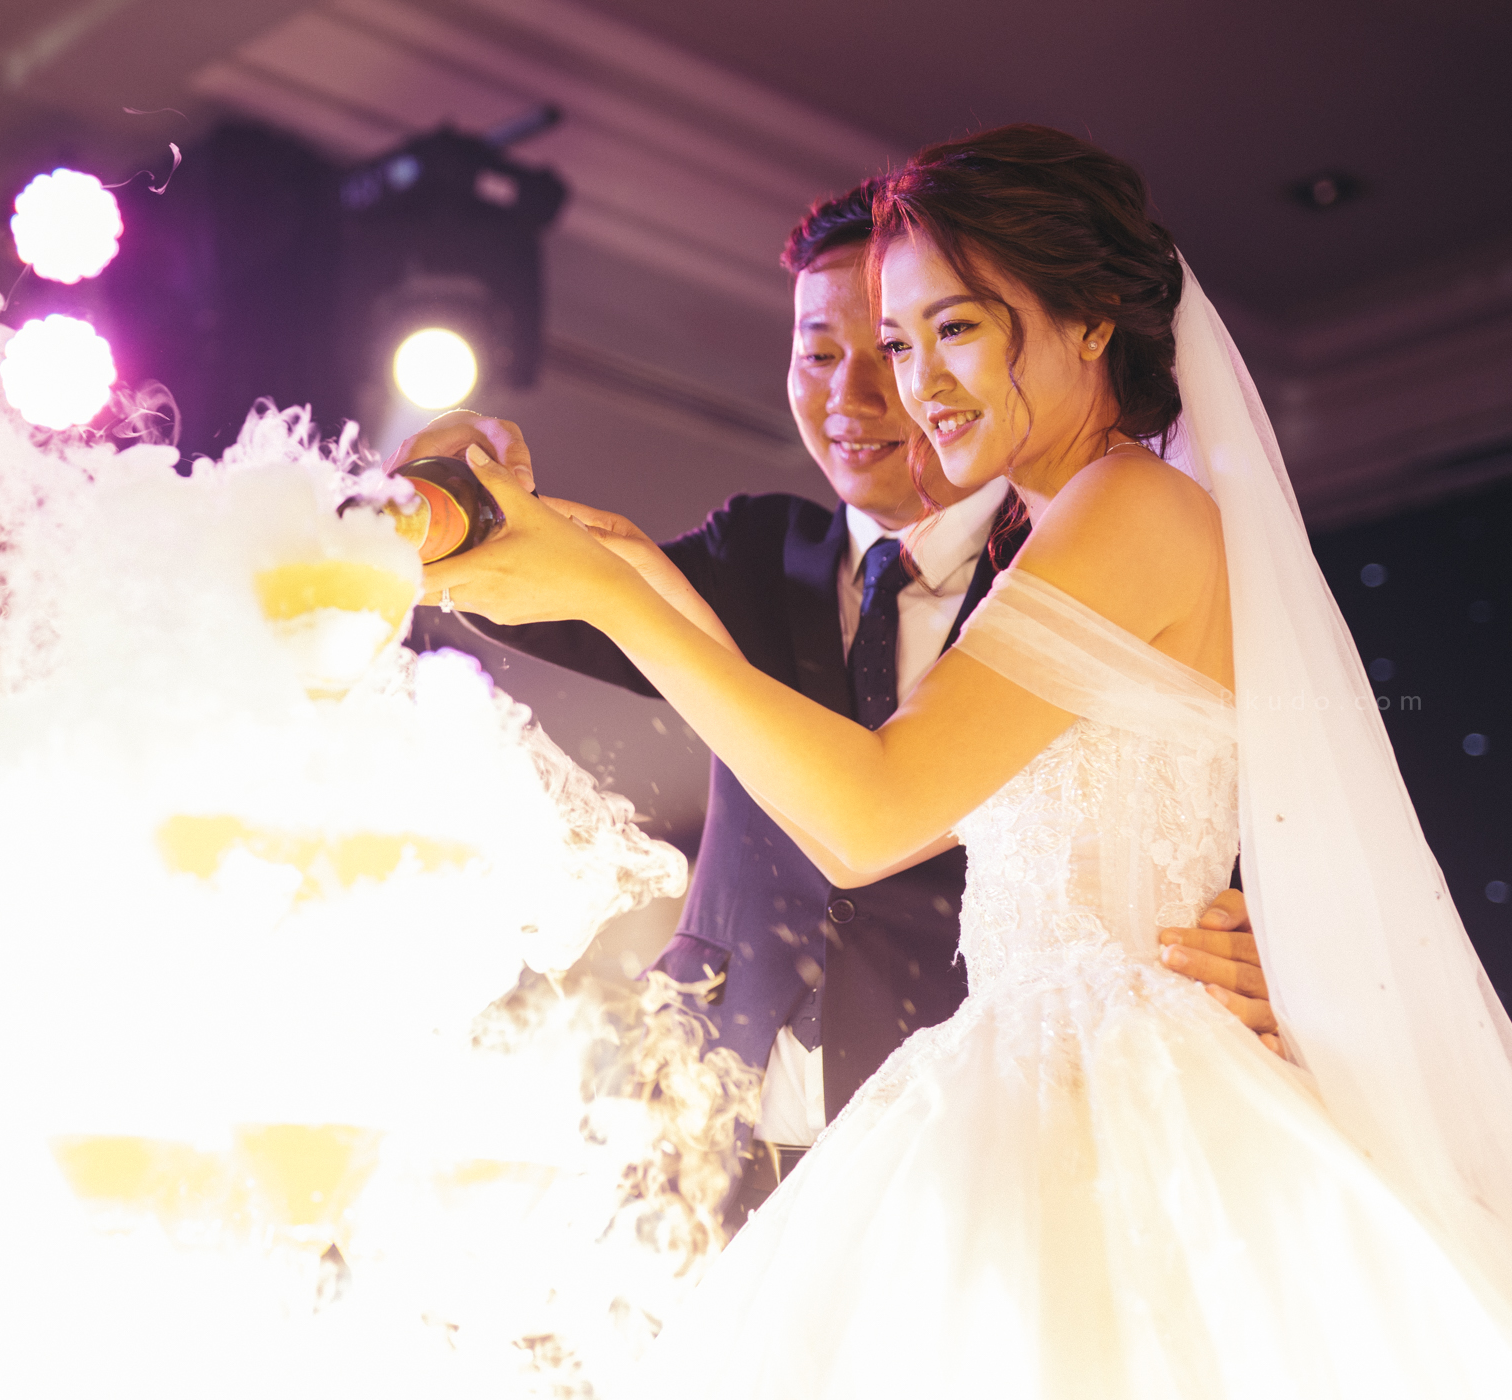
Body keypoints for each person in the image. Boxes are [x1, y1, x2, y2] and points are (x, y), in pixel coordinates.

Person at [425, 126, 1512, 1395]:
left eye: (956, 330)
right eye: (897, 342)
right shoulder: (1072, 525)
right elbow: (893, 796)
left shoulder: (1130, 508)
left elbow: (874, 816)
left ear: (1090, 322)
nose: (916, 383)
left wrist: (614, 593)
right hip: (1032, 1069)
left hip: (1104, 1094)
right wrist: (600, 564)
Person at [396, 184, 1273, 1225]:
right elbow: (522, 589)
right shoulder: (757, 551)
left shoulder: (1086, 554)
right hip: (712, 1125)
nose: (861, 391)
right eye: (823, 351)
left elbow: (1241, 801)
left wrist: (1290, 951)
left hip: (975, 1135)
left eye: (937, 336)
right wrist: (447, 483)